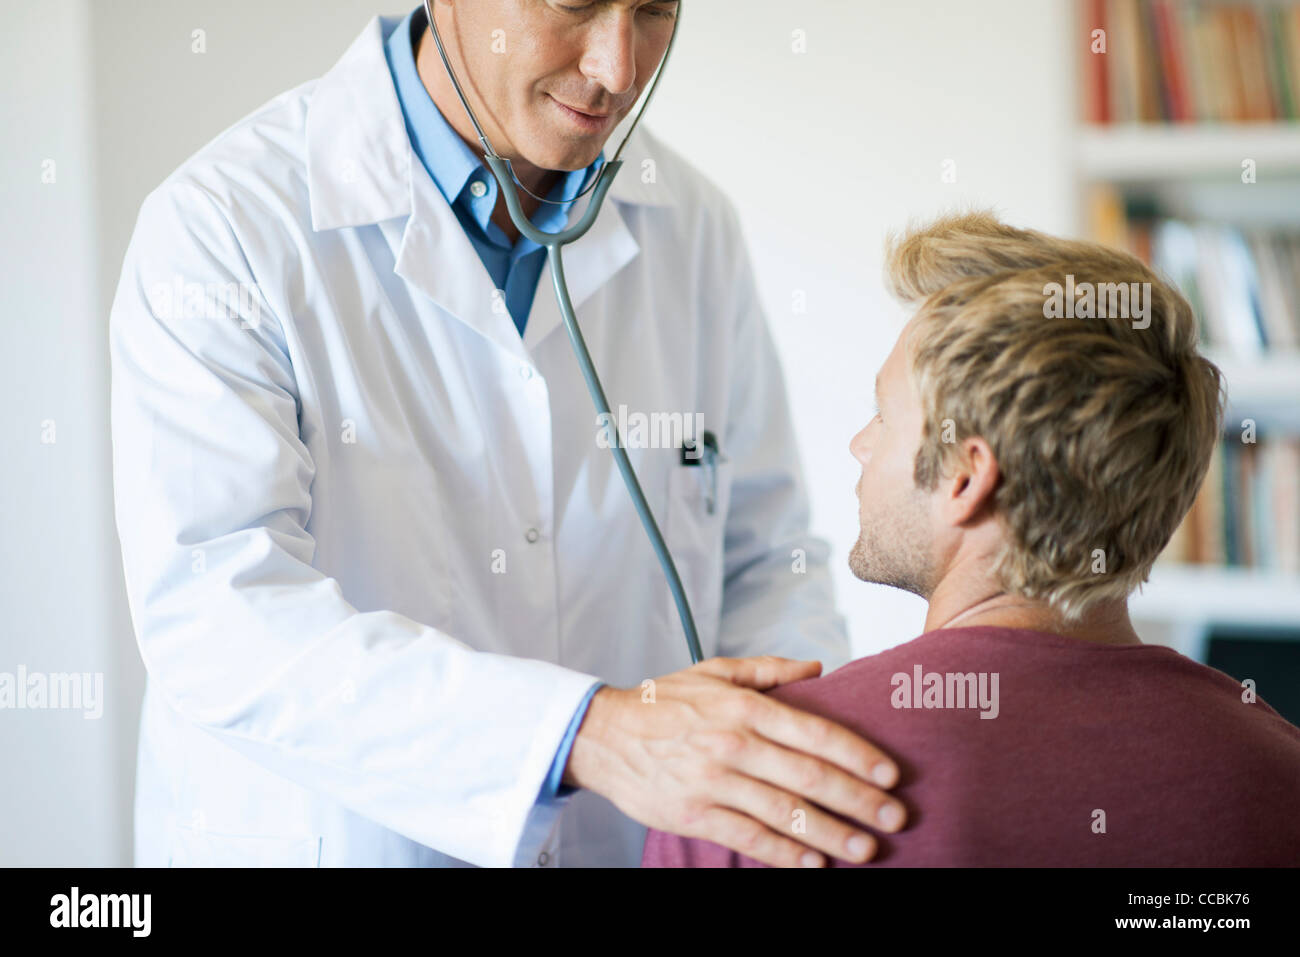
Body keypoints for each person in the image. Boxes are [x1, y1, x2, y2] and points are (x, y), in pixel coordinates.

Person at [109, 1, 908, 868]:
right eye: (576, 3)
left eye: (653, 10)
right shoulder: (225, 226)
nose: (616, 68)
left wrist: (800, 783)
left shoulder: (690, 224)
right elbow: (219, 613)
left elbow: (766, 558)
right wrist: (581, 735)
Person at [643, 211, 1300, 867]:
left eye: (883, 413)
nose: (859, 444)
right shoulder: (1276, 770)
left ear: (967, 475)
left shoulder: (755, 785)